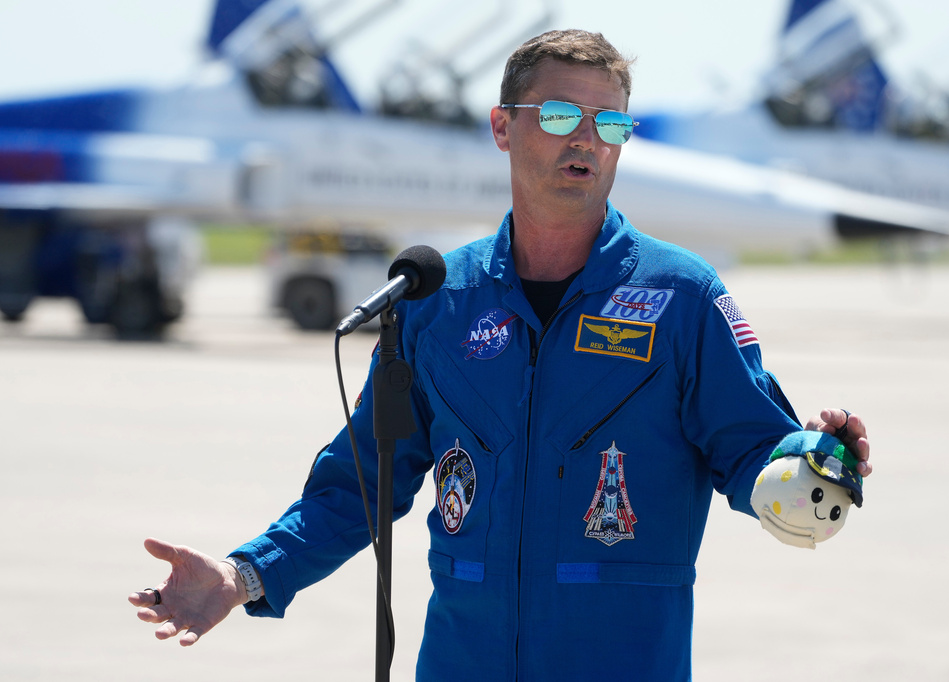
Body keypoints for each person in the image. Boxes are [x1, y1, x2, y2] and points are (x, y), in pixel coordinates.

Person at [129, 29, 872, 680]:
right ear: (502, 127)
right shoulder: (436, 299)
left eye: (609, 122)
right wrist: (245, 574)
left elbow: (755, 449)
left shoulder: (682, 296)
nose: (585, 139)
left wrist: (813, 460)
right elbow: (360, 485)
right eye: (559, 115)